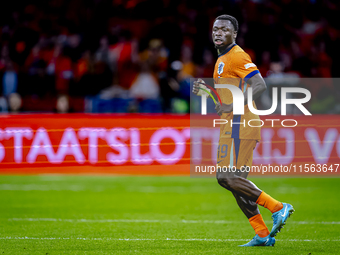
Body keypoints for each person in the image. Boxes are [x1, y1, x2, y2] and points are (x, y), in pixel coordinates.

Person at [192, 15, 294, 247]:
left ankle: (278, 207)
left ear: (234, 34)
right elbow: (229, 100)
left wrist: (233, 104)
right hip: (233, 123)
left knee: (226, 177)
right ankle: (261, 234)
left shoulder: (237, 55)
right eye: (215, 29)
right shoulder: (222, 59)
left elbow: (259, 85)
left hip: (242, 124)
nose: (218, 33)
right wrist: (212, 95)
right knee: (238, 185)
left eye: (224, 30)